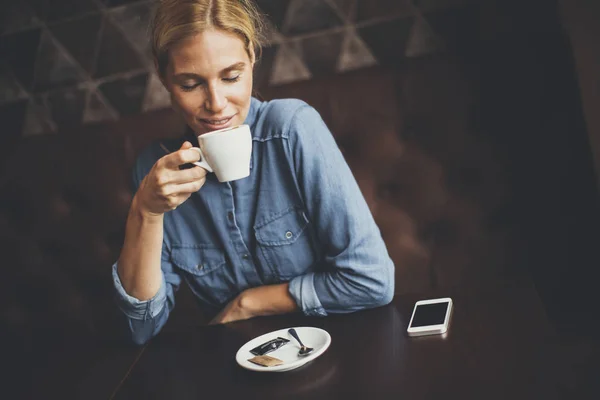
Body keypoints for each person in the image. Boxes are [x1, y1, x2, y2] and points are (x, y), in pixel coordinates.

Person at [112, 0, 395, 345]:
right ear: (164, 77)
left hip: (337, 351)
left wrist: (250, 304)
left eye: (231, 76)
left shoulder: (291, 130)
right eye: (190, 84)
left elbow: (372, 280)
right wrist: (147, 211)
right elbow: (139, 330)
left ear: (252, 59)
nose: (216, 103)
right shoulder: (155, 171)